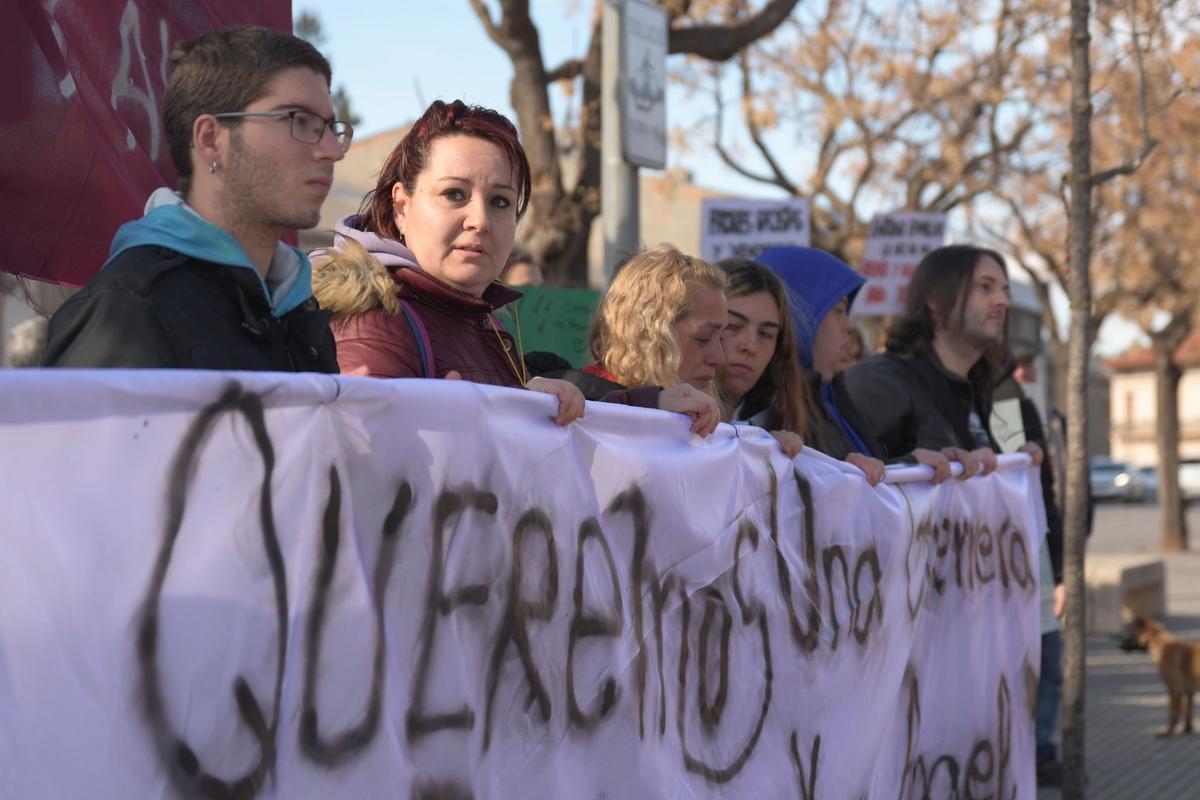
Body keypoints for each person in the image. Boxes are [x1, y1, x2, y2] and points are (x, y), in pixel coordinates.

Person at [42, 26, 346, 371]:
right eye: (300, 120)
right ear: (211, 139)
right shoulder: (129, 311)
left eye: (331, 128)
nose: (333, 151)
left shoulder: (297, 308)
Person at [842, 244, 1043, 479]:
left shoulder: (979, 390)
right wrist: (910, 465)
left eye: (1004, 291)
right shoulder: (883, 383)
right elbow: (844, 478)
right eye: (985, 287)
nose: (1003, 301)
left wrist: (1015, 467)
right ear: (936, 300)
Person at [995, 353, 1065, 787]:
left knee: (1049, 668)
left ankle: (1039, 751)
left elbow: (1043, 492)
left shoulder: (1016, 404)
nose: (1027, 374)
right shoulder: (1001, 401)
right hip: (1008, 569)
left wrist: (1058, 572)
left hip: (1036, 566)